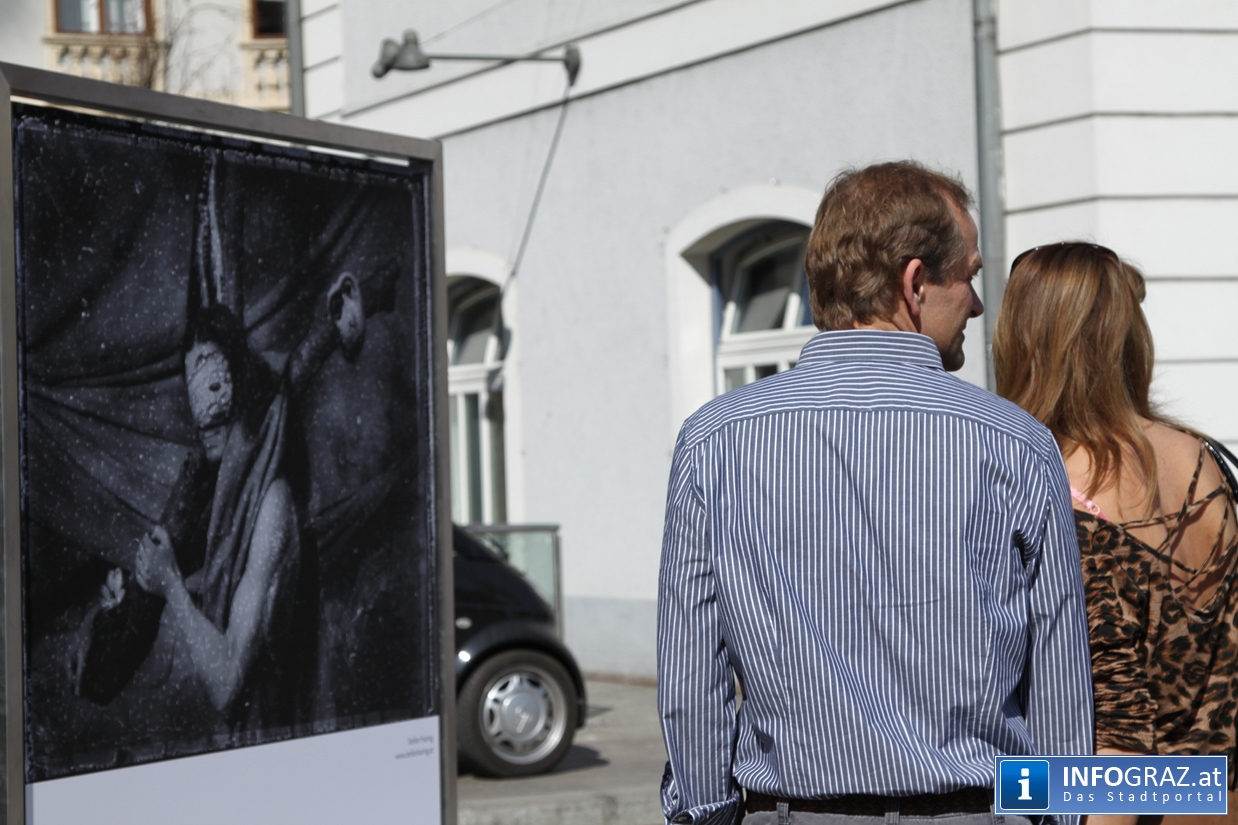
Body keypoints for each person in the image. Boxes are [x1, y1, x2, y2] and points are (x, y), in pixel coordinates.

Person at [657, 161, 1095, 825]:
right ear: (915, 282)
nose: (978, 303)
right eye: (970, 275)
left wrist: (707, 810)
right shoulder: (1015, 442)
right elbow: (1060, 688)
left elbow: (691, 678)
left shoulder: (714, 440)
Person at [993, 242, 1238, 825]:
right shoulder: (1204, 462)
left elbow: (1113, 728)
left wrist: (988, 785)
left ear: (1024, 339)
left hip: (1111, 804)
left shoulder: (1045, 472)